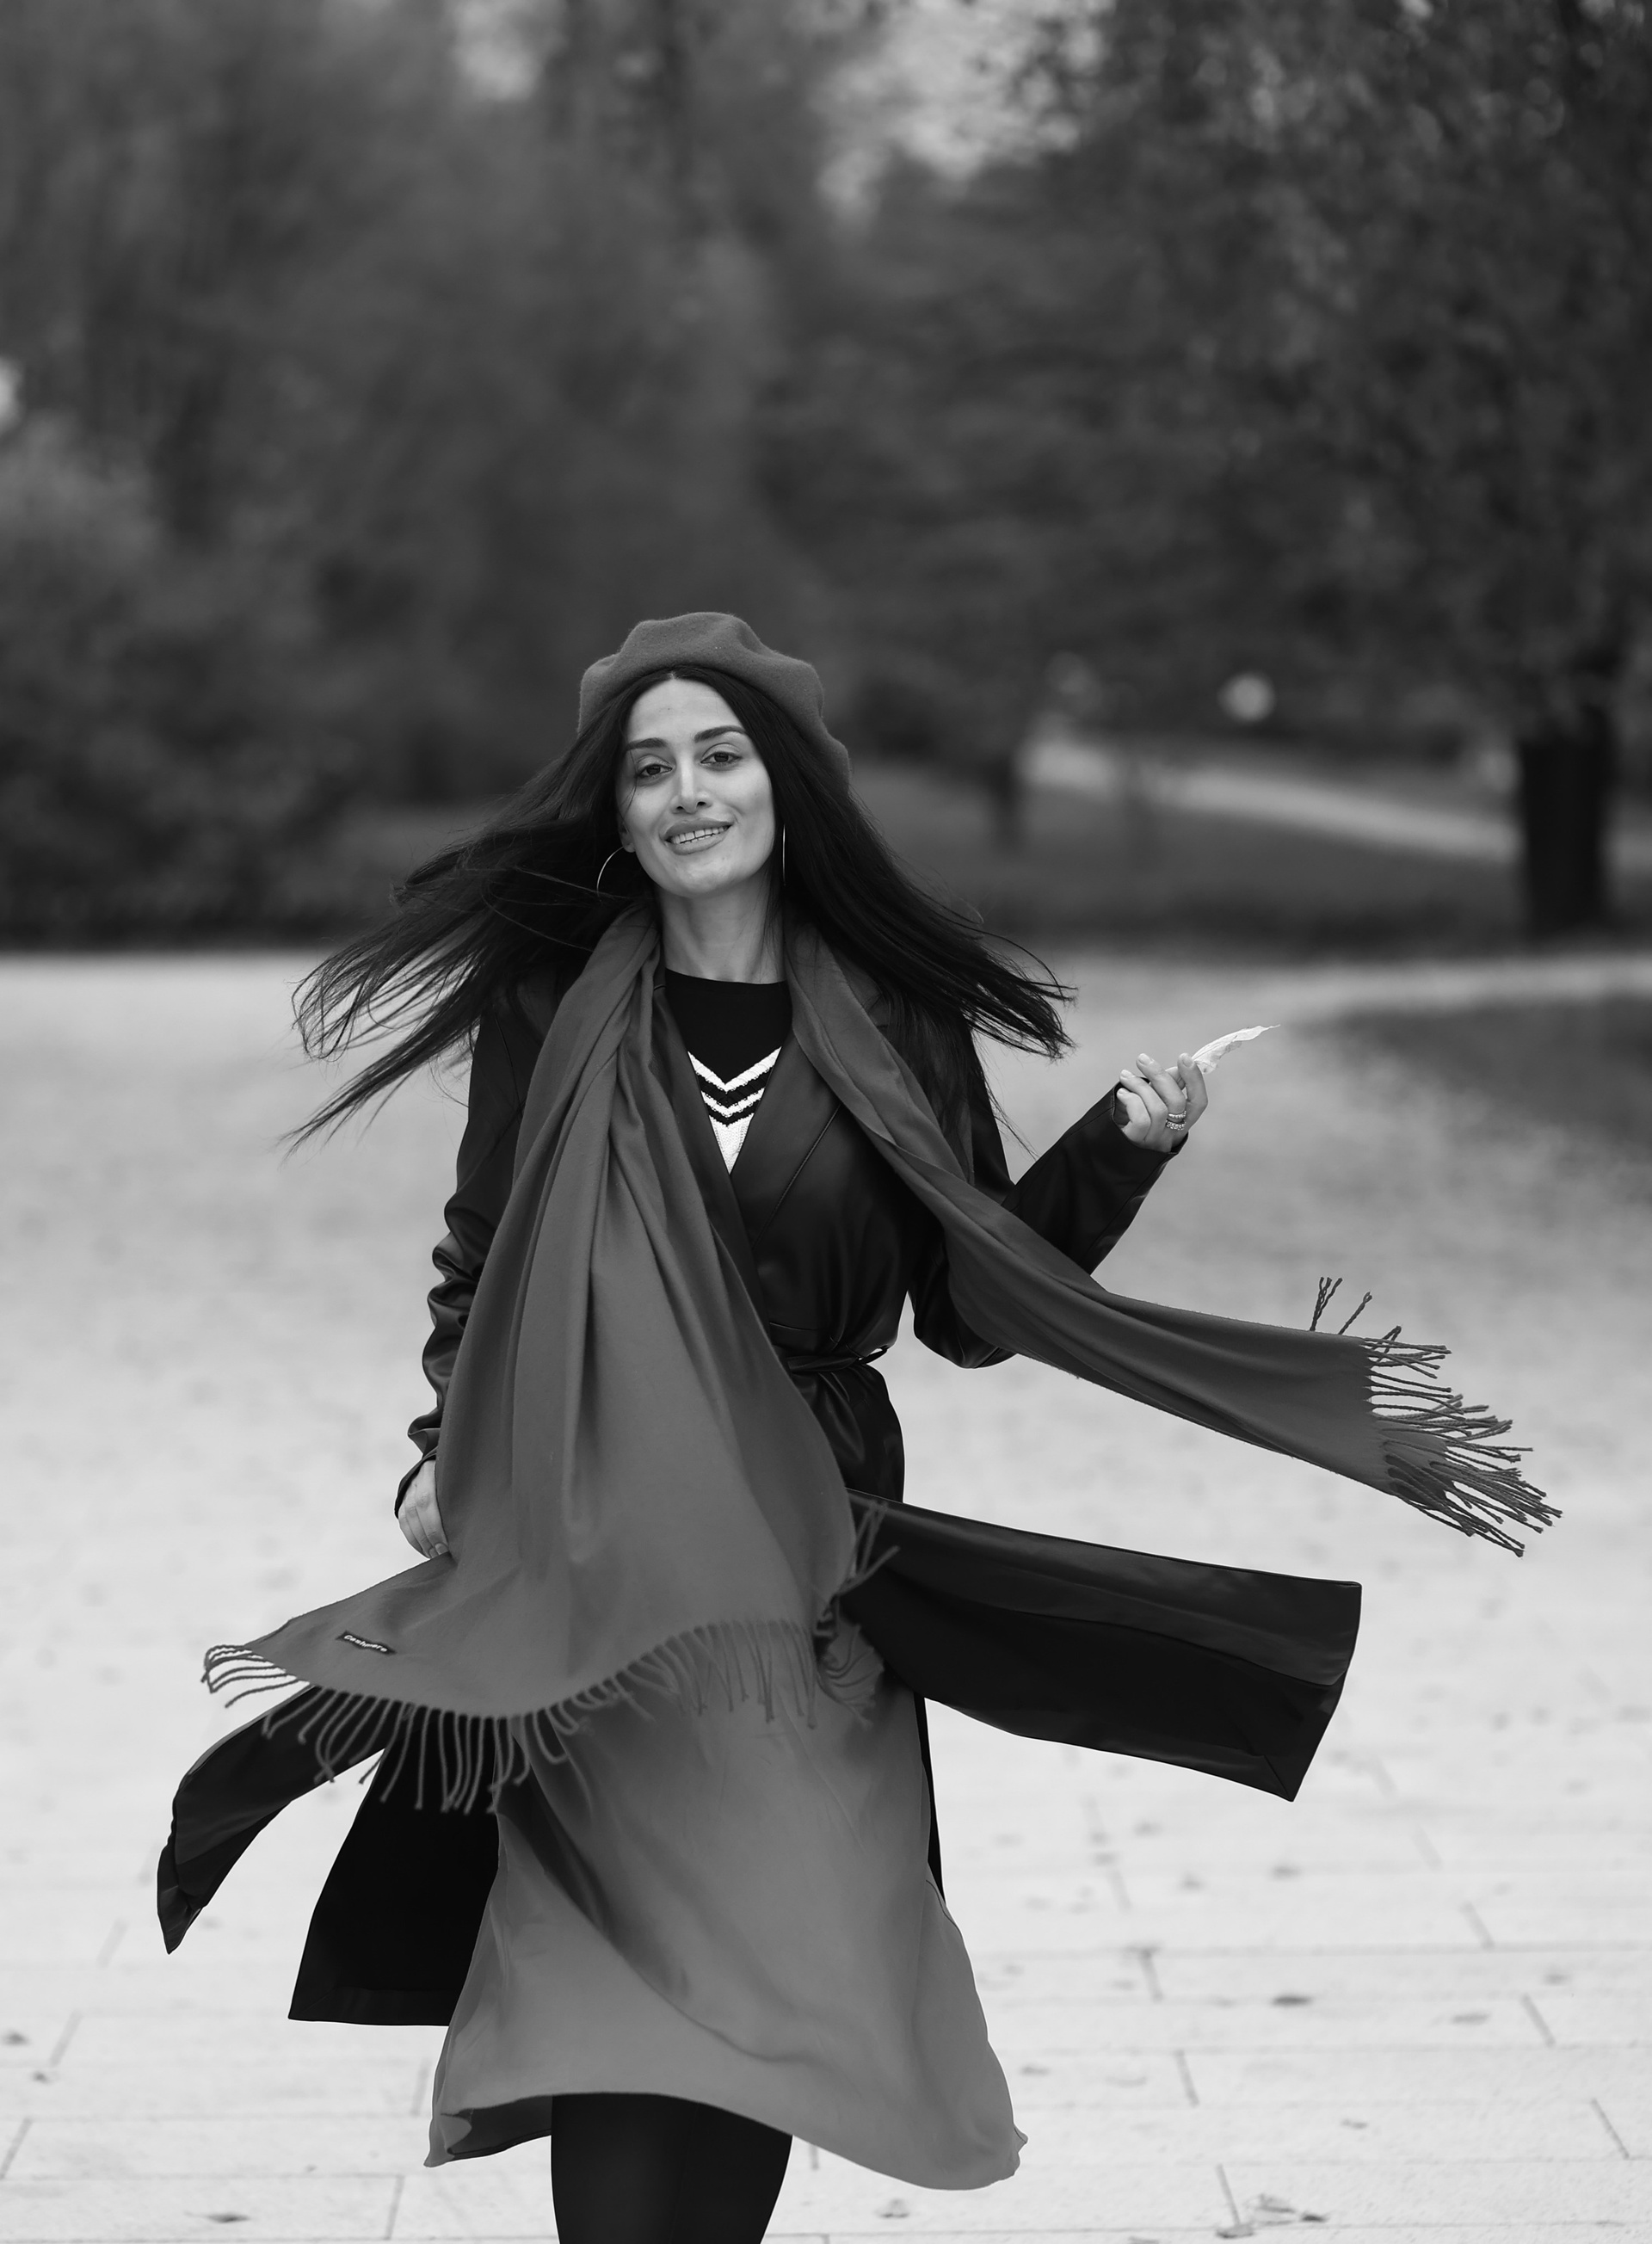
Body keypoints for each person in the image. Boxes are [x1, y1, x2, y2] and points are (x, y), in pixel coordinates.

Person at [158, 615, 1550, 2244]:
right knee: (612, 1981)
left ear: (786, 784)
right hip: (600, 1560)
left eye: (721, 755)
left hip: (809, 1563)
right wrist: (435, 1453)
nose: (688, 793)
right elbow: (486, 1256)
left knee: (779, 1970)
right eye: (650, 769)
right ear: (617, 813)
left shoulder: (894, 1014)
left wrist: (1116, 1155)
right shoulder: (553, 1005)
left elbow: (968, 1304)